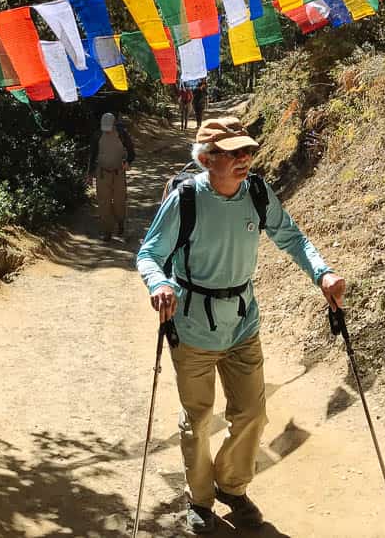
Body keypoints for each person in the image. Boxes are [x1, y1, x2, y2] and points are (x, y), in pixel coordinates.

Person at [136, 117, 346, 534]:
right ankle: (199, 499)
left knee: (252, 414)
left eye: (247, 150)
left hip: (243, 322)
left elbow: (291, 237)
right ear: (207, 158)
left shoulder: (256, 192)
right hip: (193, 326)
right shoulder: (186, 200)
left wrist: (322, 273)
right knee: (197, 419)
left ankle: (232, 485)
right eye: (233, 152)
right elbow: (148, 254)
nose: (244, 158)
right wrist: (159, 283)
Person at [87, 112, 135, 241]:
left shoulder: (122, 134)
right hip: (102, 173)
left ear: (114, 124)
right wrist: (89, 174)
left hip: (118, 172)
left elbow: (131, 152)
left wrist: (127, 162)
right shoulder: (97, 135)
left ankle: (120, 222)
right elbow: (92, 155)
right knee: (104, 203)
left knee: (119, 201)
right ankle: (106, 231)